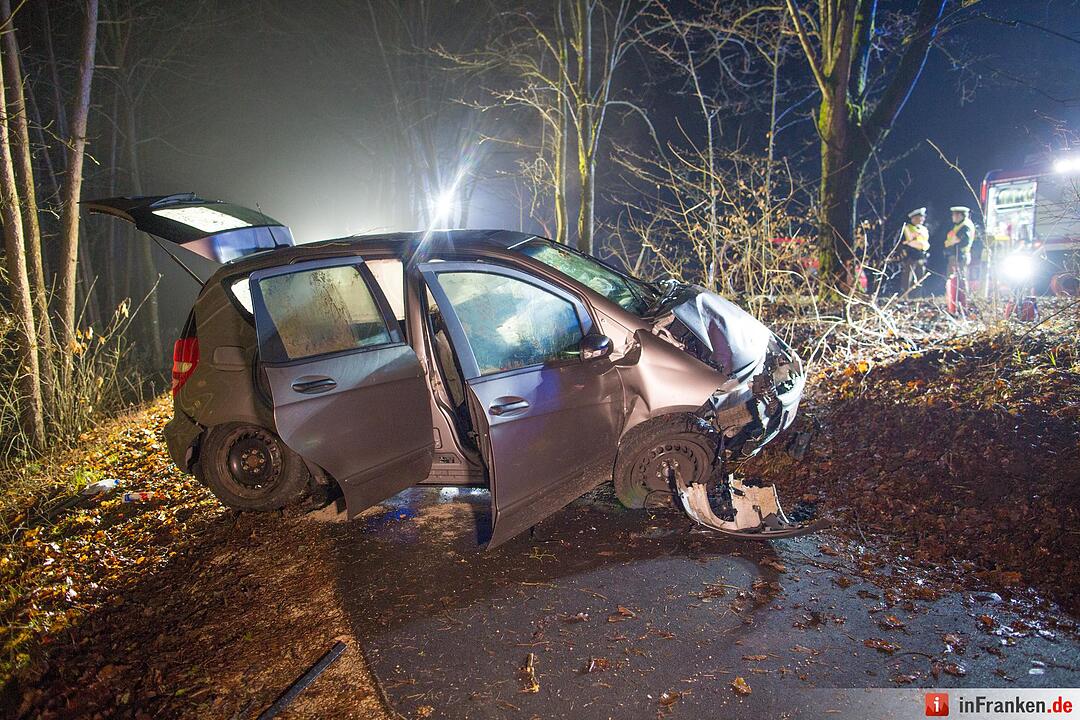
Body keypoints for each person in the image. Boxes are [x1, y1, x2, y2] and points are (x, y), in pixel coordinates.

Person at [898, 207, 930, 294]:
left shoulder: (924, 228)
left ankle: (917, 295)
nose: (922, 219)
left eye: (923, 217)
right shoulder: (907, 227)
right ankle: (905, 294)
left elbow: (925, 241)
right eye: (920, 217)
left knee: (920, 275)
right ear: (914, 218)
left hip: (922, 254)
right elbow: (905, 241)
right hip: (911, 254)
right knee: (908, 275)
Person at [945, 205, 976, 285]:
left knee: (960, 278)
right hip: (957, 255)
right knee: (955, 278)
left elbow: (964, 241)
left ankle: (961, 293)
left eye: (954, 215)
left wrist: (951, 243)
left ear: (959, 215)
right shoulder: (959, 225)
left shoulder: (965, 226)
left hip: (960, 256)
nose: (952, 217)